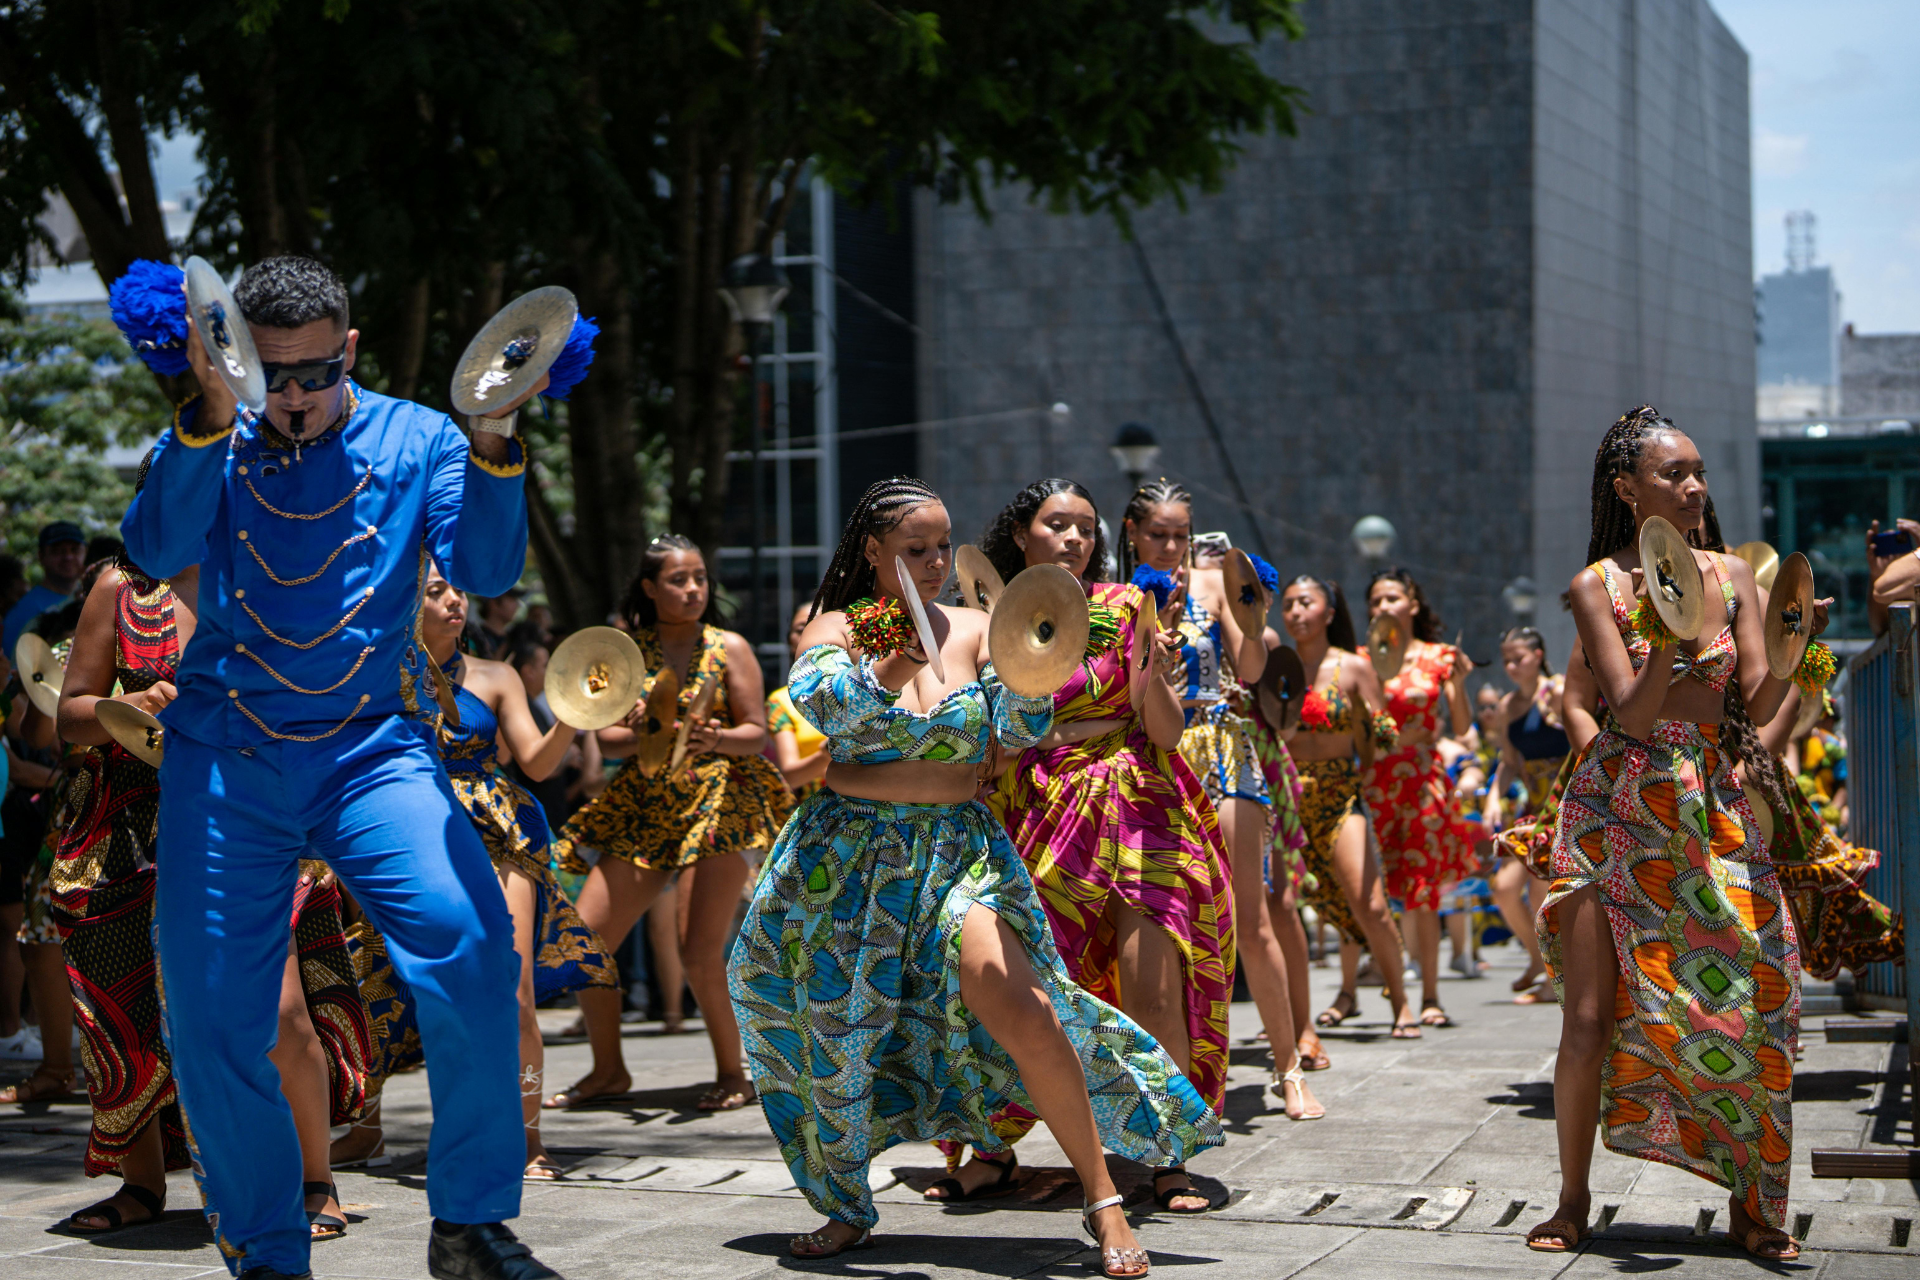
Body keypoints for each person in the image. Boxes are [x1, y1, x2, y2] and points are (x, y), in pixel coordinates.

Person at [120, 253, 559, 1280]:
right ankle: (267, 1249)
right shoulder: (214, 432)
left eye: (316, 373)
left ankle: (471, 1225)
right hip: (225, 760)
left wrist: (494, 437)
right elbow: (153, 547)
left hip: (373, 752)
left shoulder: (422, 436)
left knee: (472, 946)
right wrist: (207, 408)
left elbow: (488, 571)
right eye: (272, 374)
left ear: (349, 350)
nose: (295, 396)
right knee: (215, 1013)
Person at [728, 476, 1220, 1272]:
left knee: (1025, 1006)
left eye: (939, 547)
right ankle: (846, 1206)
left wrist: (1037, 663)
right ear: (874, 551)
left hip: (957, 852)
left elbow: (1020, 729)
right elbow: (827, 710)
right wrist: (896, 660)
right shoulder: (835, 628)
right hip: (848, 861)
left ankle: (1102, 1201)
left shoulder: (976, 626)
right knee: (840, 1038)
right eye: (914, 549)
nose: (934, 563)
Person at [1529, 405, 1808, 1260]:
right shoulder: (1596, 586)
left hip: (1708, 806)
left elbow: (1757, 694)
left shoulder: (1733, 574)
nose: (1694, 488)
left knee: (1759, 1000)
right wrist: (1664, 634)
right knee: (1588, 1018)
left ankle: (1754, 1202)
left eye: (1698, 472)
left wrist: (1799, 643)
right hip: (1614, 807)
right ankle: (1572, 1200)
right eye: (1672, 474)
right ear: (1628, 489)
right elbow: (1634, 714)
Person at [931, 480, 1250, 1210]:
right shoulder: (985, 619)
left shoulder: (1125, 606)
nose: (1074, 538)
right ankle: (991, 1148)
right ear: (1022, 535)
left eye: (1084, 526)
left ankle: (1169, 1155)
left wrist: (1154, 670)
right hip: (1037, 811)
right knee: (1016, 988)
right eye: (1057, 525)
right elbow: (983, 737)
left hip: (1141, 805)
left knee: (1153, 986)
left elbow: (1165, 731)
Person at [51, 534, 370, 1240]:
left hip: (253, 818)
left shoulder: (279, 574)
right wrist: (127, 705)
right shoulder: (120, 588)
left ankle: (315, 1179)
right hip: (132, 829)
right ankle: (142, 1185)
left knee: (283, 1008)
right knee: (126, 1007)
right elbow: (68, 715)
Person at [367, 567, 619, 1179]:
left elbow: (536, 763)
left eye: (457, 589)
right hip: (414, 834)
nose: (454, 599)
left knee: (515, 991)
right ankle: (371, 1129)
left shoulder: (497, 675)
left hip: (500, 834)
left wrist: (574, 712)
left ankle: (528, 1138)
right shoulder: (376, 673)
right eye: (435, 591)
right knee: (397, 984)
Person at [546, 536, 790, 1113]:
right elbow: (607, 741)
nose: (693, 589)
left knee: (698, 951)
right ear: (650, 589)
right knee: (586, 942)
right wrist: (640, 729)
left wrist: (715, 736)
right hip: (646, 805)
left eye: (700, 578)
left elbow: (756, 733)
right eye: (679, 580)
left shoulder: (729, 647)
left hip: (720, 804)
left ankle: (733, 1072)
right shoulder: (627, 652)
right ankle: (608, 1070)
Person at [1278, 576, 1419, 1038]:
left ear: (1329, 613)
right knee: (1283, 910)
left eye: (1306, 602)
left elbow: (1379, 738)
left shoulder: (1354, 666)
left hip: (1341, 793)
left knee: (1370, 904)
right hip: (1288, 797)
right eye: (1288, 605)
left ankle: (1401, 1000)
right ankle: (1288, 1017)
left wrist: (1376, 725)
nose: (1296, 612)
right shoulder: (1276, 666)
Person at [1362, 569, 1477, 1028]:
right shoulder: (1360, 658)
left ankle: (1430, 995)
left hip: (1421, 785)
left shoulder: (1439, 656)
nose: (1383, 607)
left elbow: (1462, 727)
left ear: (1412, 604)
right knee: (1370, 892)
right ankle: (1367, 990)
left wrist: (1460, 684)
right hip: (1374, 784)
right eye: (1375, 600)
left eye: (1392, 597)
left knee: (1422, 893)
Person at [1482, 627, 1567, 1002]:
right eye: (1507, 660)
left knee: (1539, 895)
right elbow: (1509, 761)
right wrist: (1492, 798)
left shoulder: (1558, 690)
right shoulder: (1507, 706)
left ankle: (1553, 982)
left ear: (1538, 655)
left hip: (1564, 804)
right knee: (1503, 888)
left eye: (1519, 658)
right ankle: (1537, 960)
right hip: (1533, 808)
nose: (1512, 666)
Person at [766, 603, 829, 801]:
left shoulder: (868, 689)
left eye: (819, 626)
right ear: (790, 641)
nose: (810, 635)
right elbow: (791, 776)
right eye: (802, 629)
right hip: (818, 810)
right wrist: (827, 753)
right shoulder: (780, 701)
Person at [3, 522, 86, 658]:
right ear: (41, 556)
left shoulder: (90, 599)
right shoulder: (23, 612)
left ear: (85, 552)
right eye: (58, 551)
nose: (68, 557)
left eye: (74, 550)